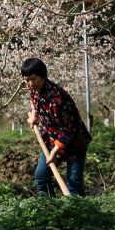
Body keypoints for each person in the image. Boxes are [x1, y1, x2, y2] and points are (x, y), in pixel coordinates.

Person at [22, 57, 91, 196]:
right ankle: (49, 211)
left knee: (74, 186)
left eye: (33, 79)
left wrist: (55, 151)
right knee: (41, 177)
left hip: (74, 142)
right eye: (27, 79)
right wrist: (35, 114)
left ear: (43, 76)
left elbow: (68, 129)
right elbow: (34, 101)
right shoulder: (33, 88)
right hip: (51, 138)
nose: (30, 83)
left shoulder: (57, 99)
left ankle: (80, 215)